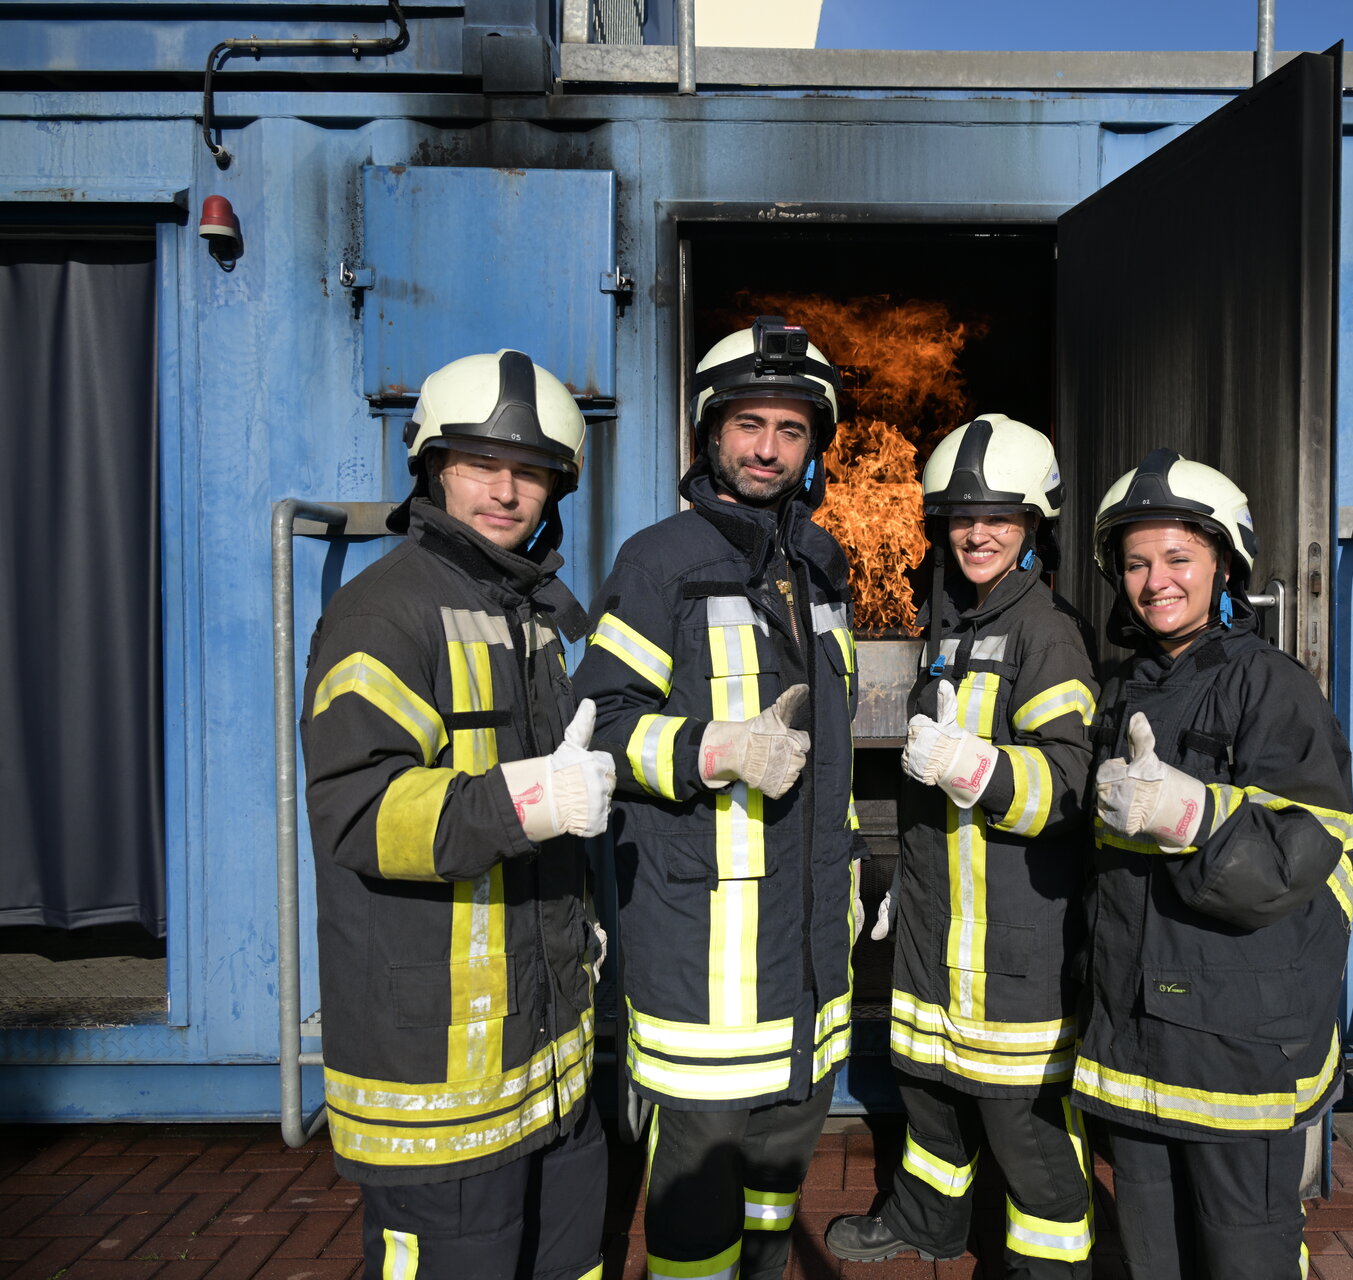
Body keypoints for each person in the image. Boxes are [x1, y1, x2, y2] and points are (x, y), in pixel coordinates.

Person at [300, 349, 617, 1279]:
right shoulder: (383, 614)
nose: (507, 491)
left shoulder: (529, 615)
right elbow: (357, 813)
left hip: (548, 1064)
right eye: (483, 464)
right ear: (434, 467)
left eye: (531, 472)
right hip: (436, 1079)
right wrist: (530, 801)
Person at [569, 317, 859, 1280]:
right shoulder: (658, 564)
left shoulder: (822, 563)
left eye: (790, 429)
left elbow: (835, 754)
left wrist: (851, 871)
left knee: (780, 1177)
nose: (768, 448)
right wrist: (716, 748)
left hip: (809, 961)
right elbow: (599, 729)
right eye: (749, 424)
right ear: (711, 432)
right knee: (695, 1200)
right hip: (707, 958)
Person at [826, 415, 1099, 1275]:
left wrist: (976, 767)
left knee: (1023, 1121)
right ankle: (928, 1224)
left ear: (1033, 528)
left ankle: (1048, 1264)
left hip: (1016, 933)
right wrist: (908, 878)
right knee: (931, 1094)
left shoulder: (1046, 632)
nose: (978, 533)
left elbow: (1066, 788)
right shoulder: (957, 626)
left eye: (1001, 517)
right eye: (961, 516)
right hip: (940, 924)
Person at [1078, 448, 1353, 1280]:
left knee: (1245, 1257)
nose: (1155, 580)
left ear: (1224, 564)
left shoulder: (1273, 687)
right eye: (1135, 563)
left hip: (1237, 1045)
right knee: (1153, 1258)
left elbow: (1299, 850)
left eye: (1177, 559)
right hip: (1137, 1042)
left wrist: (1192, 814)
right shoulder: (1121, 689)